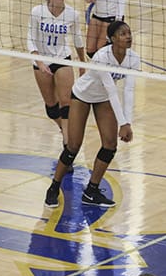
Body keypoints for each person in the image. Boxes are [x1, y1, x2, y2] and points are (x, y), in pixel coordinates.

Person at [44, 20, 140, 209]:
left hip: (102, 98)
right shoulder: (101, 57)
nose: (128, 37)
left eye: (129, 33)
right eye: (123, 34)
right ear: (112, 39)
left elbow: (128, 90)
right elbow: (112, 90)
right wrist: (123, 123)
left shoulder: (133, 58)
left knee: (110, 145)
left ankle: (91, 190)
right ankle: (53, 188)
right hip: (83, 95)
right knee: (73, 146)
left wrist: (127, 121)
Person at [28, 0, 86, 147]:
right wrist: (39, 62)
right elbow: (30, 38)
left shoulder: (72, 14)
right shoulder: (37, 12)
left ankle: (68, 142)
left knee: (66, 102)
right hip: (41, 60)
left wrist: (82, 64)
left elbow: (77, 39)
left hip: (62, 58)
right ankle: (64, 129)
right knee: (52, 107)